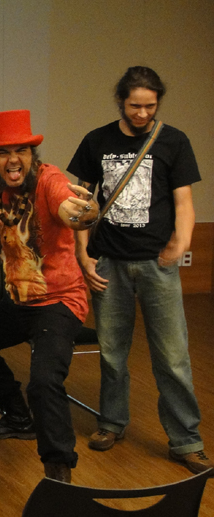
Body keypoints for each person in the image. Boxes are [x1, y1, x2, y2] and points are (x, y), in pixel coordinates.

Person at [67, 66, 211, 474]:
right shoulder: (97, 140)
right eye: (135, 106)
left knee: (173, 357)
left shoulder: (173, 141)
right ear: (121, 102)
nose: (143, 113)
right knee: (112, 353)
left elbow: (183, 202)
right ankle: (111, 423)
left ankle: (186, 441)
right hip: (108, 261)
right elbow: (80, 204)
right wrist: (83, 254)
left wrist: (182, 241)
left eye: (150, 106)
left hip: (156, 264)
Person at [0, 109, 99, 483]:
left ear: (32, 154)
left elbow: (71, 211)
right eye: (3, 152)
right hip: (20, 300)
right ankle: (19, 418)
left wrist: (86, 212)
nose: (13, 160)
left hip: (59, 301)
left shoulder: (49, 180)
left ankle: (58, 474)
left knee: (44, 382)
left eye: (20, 150)